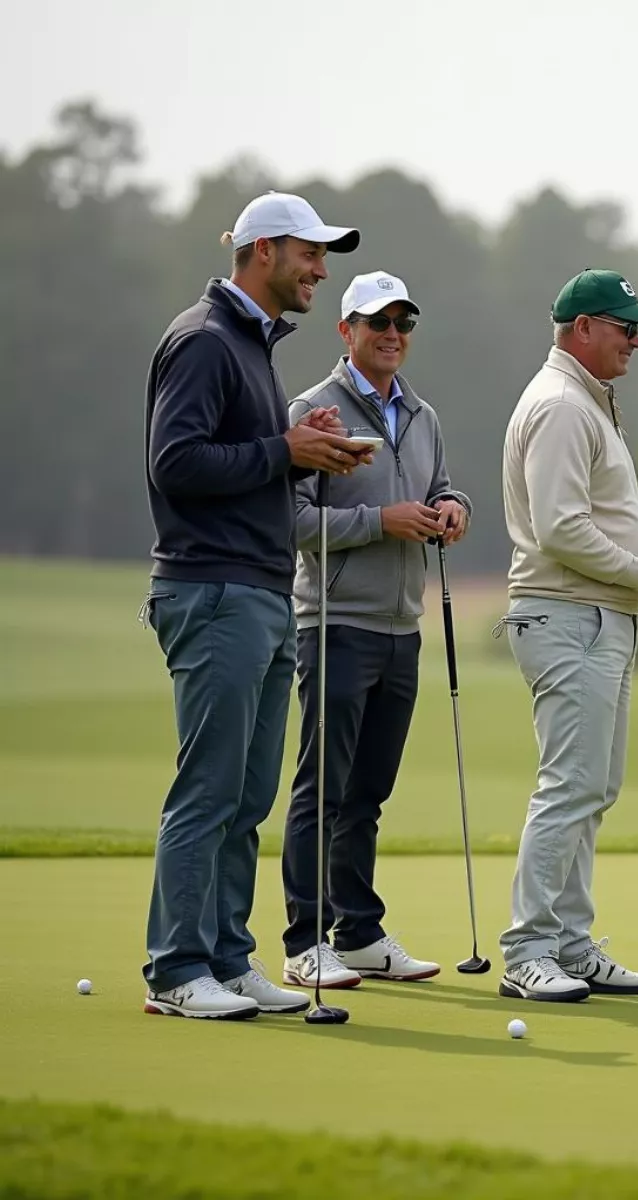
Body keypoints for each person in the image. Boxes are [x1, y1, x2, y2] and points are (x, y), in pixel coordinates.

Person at [141, 192, 368, 1020]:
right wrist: (284, 447)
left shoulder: (251, 347)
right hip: (214, 587)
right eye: (310, 255)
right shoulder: (205, 340)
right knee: (208, 788)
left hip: (263, 591)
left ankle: (230, 960)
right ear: (264, 252)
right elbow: (177, 464)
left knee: (247, 795)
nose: (320, 271)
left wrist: (305, 455)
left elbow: (241, 461)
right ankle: (175, 970)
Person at [497, 268, 638, 1003]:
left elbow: (603, 513)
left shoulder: (588, 401)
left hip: (596, 613)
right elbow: (560, 528)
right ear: (582, 328)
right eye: (625, 327)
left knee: (594, 786)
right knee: (570, 786)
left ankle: (570, 943)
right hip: (566, 614)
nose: (637, 340)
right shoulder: (561, 405)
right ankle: (528, 949)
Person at [280, 270, 472, 989]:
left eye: (403, 322)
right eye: (377, 321)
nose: (393, 334)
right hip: (335, 622)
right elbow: (291, 522)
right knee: (321, 789)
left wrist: (452, 510)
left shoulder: (422, 416)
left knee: (368, 792)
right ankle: (306, 941)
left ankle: (357, 932)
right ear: (346, 331)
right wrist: (379, 524)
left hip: (402, 625)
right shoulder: (312, 410)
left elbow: (441, 486)